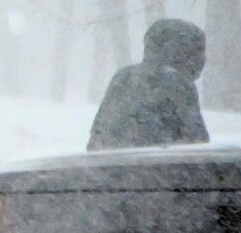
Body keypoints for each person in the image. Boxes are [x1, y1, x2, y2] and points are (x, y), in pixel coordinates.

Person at [87, 18, 210, 151]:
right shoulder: (177, 83)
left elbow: (97, 138)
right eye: (198, 51)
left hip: (111, 167)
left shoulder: (123, 77)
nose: (203, 59)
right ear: (179, 52)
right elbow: (198, 146)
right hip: (159, 168)